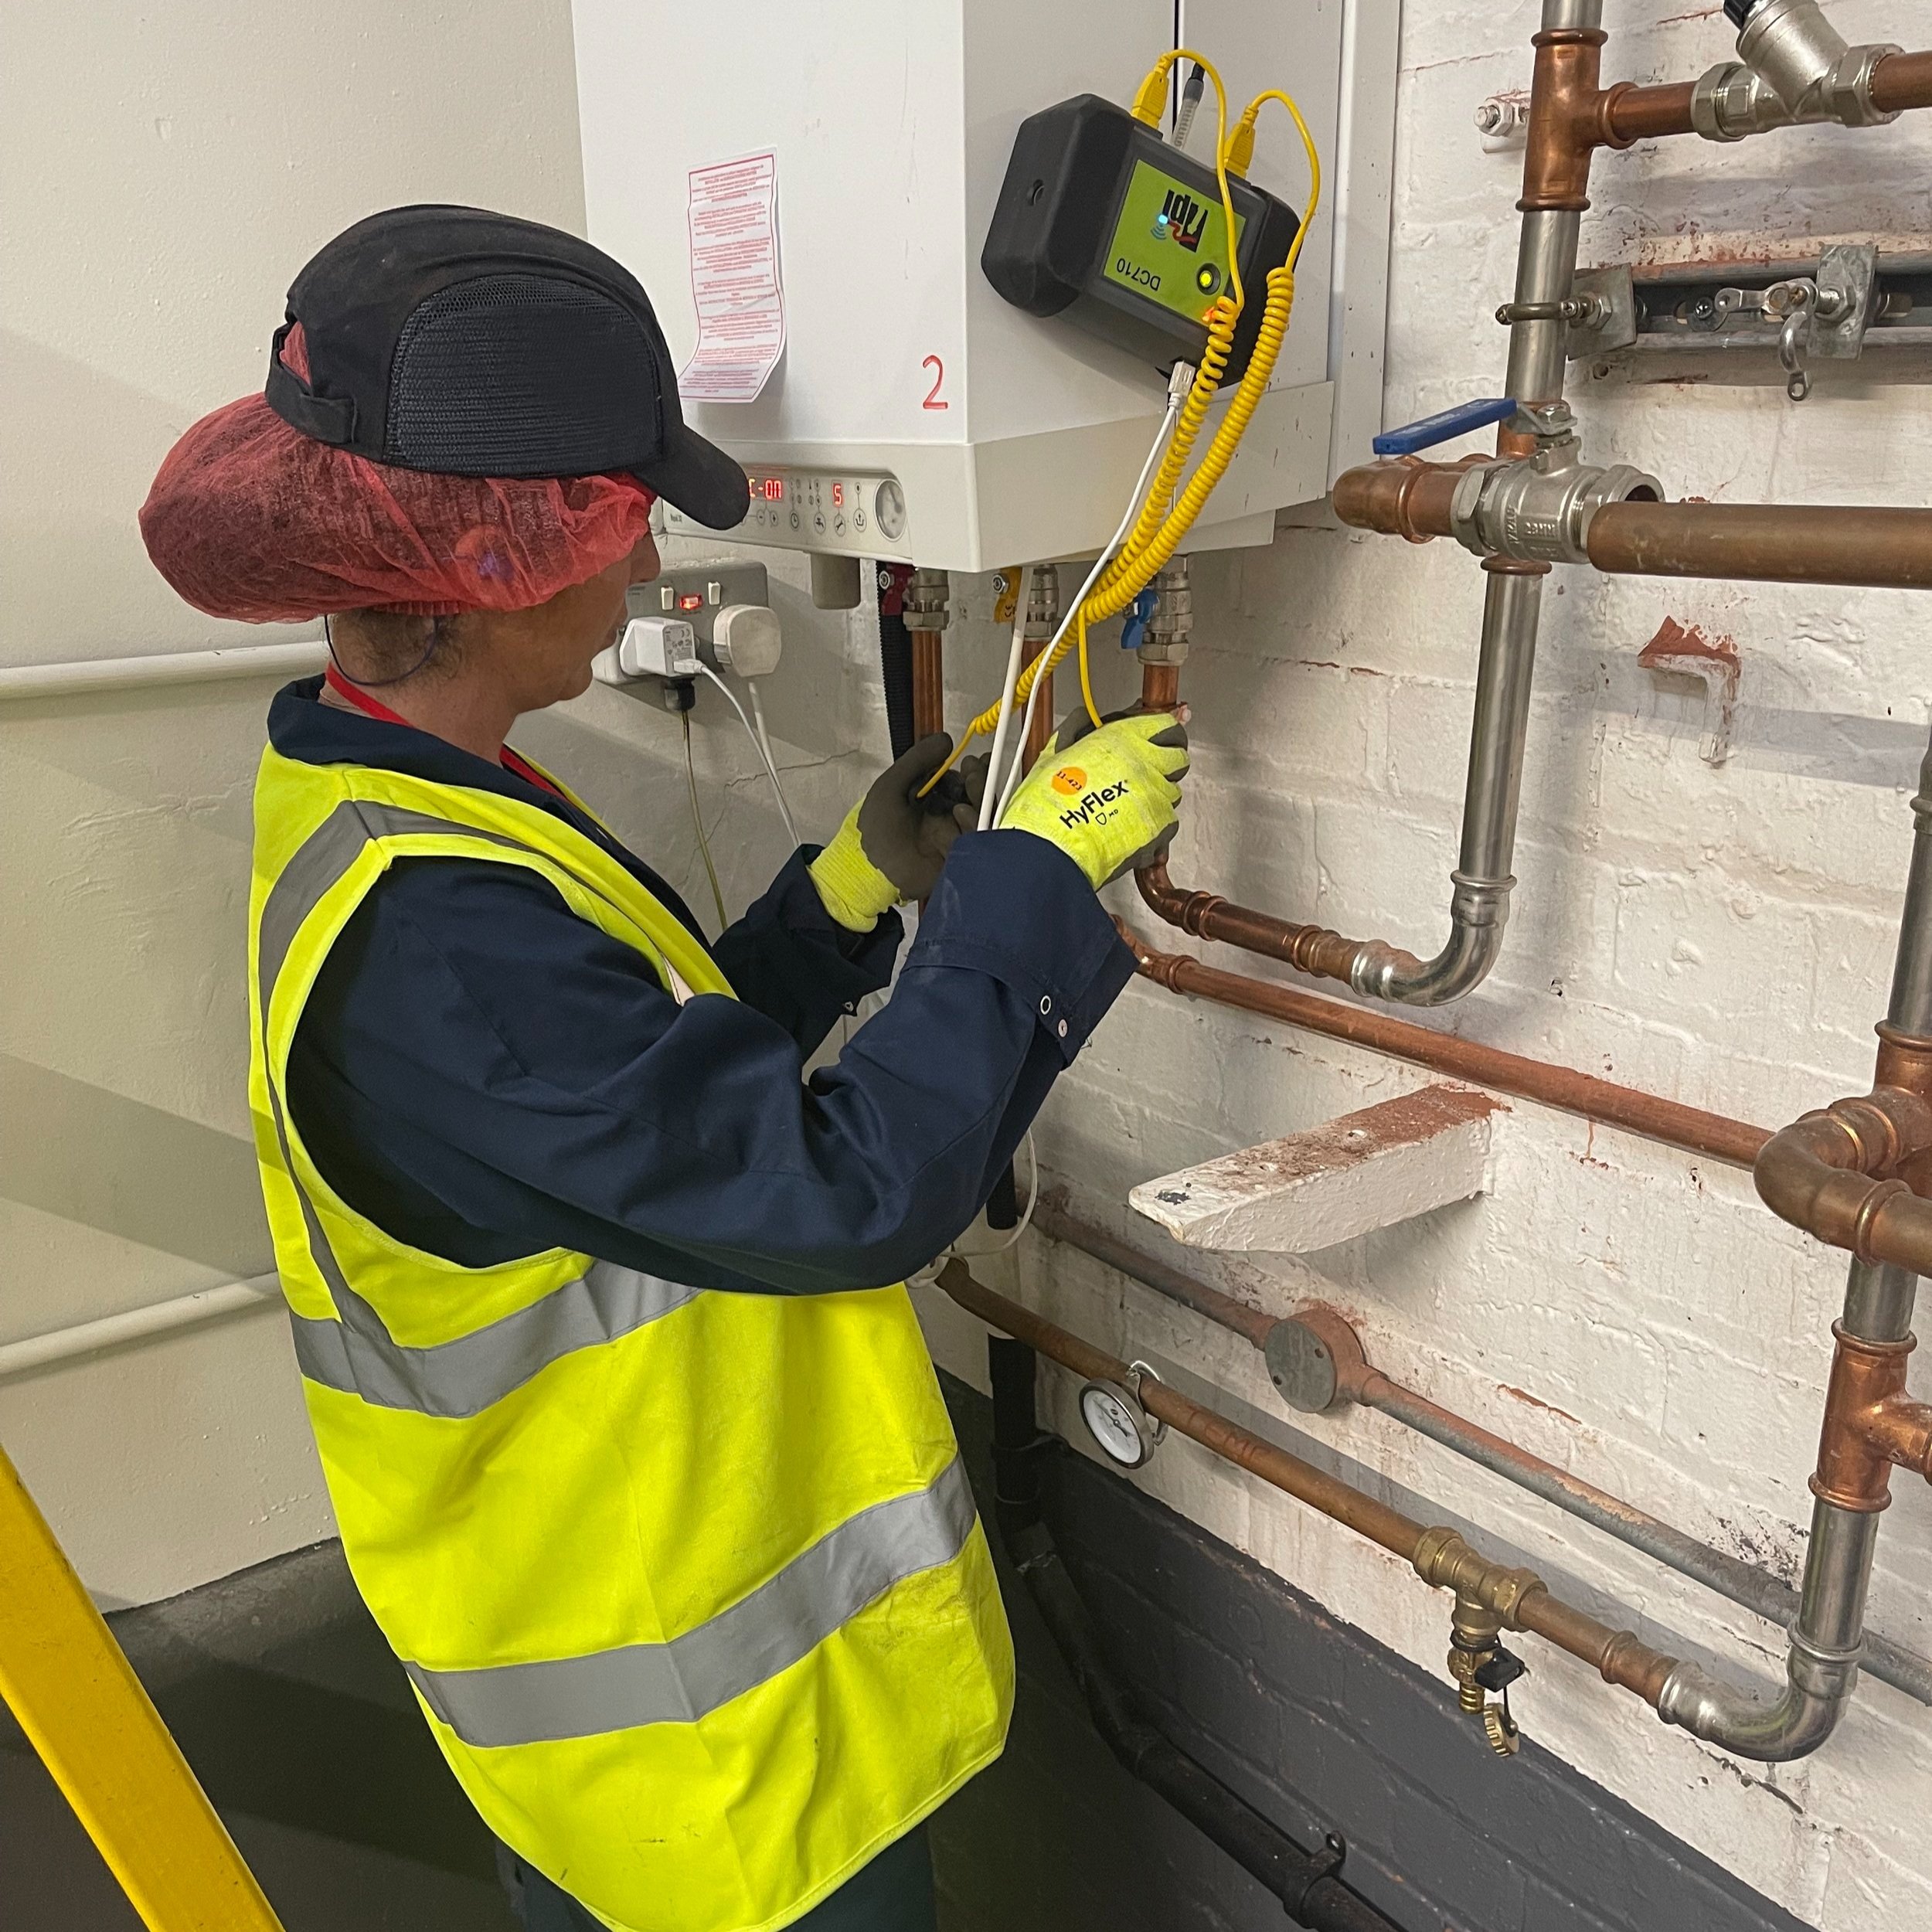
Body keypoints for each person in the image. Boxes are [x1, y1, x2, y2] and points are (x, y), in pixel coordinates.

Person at [140, 204, 1189, 1932]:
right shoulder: (435, 944)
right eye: (621, 523)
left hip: (637, 1701)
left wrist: (844, 899)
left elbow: (638, 1104)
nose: (641, 573)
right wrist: (1031, 879)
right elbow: (841, 1194)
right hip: (708, 1778)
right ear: (496, 565)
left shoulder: (396, 790)